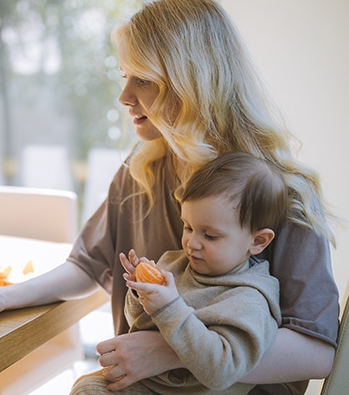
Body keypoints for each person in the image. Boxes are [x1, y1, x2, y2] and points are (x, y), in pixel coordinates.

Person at [0, 0, 340, 394]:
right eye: (125, 77)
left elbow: (317, 350)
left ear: (192, 83)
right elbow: (90, 264)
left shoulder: (280, 191)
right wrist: (7, 295)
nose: (124, 97)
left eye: (144, 80)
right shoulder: (143, 167)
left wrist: (169, 351)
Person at [71, 151, 286, 395]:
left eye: (210, 235)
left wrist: (170, 307)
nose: (192, 243)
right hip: (150, 383)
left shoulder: (249, 300)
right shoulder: (175, 264)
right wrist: (141, 293)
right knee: (87, 386)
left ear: (258, 241)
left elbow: (221, 371)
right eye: (188, 227)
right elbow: (139, 325)